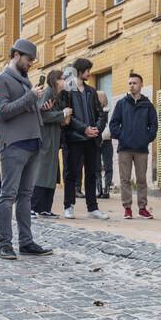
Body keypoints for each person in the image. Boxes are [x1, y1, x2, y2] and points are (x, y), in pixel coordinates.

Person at [0, 38, 54, 259]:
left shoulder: (26, 81)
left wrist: (40, 108)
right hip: (14, 146)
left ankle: (26, 242)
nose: (30, 64)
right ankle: (5, 244)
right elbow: (2, 112)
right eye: (28, 60)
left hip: (33, 143)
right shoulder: (1, 81)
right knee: (7, 195)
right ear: (16, 55)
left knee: (26, 196)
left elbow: (26, 109)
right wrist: (30, 98)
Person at [62, 57, 109, 220]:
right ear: (80, 71)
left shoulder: (91, 91)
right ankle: (68, 206)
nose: (89, 73)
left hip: (92, 140)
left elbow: (100, 113)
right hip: (74, 139)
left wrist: (97, 128)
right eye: (87, 70)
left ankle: (93, 208)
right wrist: (84, 129)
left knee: (92, 173)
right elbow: (68, 116)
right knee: (71, 174)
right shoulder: (67, 91)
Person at [109, 71, 157, 219]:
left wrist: (146, 138)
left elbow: (154, 125)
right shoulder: (122, 103)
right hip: (124, 148)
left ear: (141, 85)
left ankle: (142, 208)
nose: (132, 86)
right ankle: (127, 208)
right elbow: (113, 123)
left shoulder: (148, 105)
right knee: (125, 179)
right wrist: (122, 136)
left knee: (142, 179)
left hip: (141, 149)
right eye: (130, 83)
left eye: (134, 83)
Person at [30, 68, 69, 218]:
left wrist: (62, 117)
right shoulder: (47, 93)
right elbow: (42, 115)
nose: (65, 81)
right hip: (46, 138)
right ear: (56, 80)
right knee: (42, 173)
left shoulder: (57, 95)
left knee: (51, 174)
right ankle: (32, 207)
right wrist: (62, 113)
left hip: (53, 138)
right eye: (63, 78)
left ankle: (45, 207)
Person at [97, 91, 114, 199]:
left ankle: (106, 189)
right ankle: (99, 189)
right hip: (96, 140)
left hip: (107, 141)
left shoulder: (109, 111)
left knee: (108, 166)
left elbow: (111, 126)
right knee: (96, 166)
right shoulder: (94, 111)